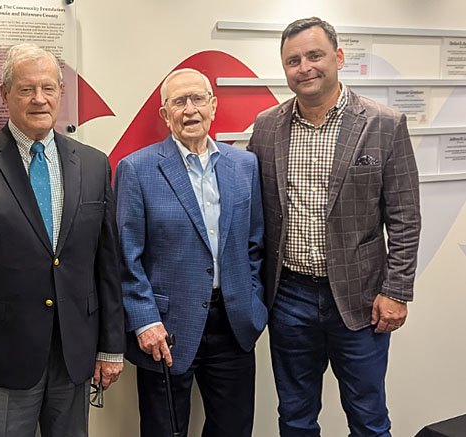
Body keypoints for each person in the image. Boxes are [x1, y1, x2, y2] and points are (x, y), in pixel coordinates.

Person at [0, 43, 125, 436]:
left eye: (48, 88)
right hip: (2, 361)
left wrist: (111, 346)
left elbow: (106, 264)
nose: (39, 98)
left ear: (60, 92)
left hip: (74, 355)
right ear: (5, 95)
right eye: (26, 89)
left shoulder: (93, 164)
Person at [247, 17, 421, 436]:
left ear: (338, 57)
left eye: (315, 55)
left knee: (368, 419)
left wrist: (396, 292)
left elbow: (405, 217)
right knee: (295, 417)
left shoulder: (384, 124)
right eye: (293, 60)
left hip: (361, 300)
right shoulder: (266, 127)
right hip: (289, 297)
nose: (304, 67)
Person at [115, 68, 266, 436]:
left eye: (198, 98)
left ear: (213, 106)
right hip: (164, 331)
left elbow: (255, 243)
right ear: (165, 114)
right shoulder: (137, 169)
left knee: (233, 431)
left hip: (233, 325)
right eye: (179, 102)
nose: (190, 109)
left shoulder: (244, 165)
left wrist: (254, 303)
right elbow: (125, 257)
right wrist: (145, 322)